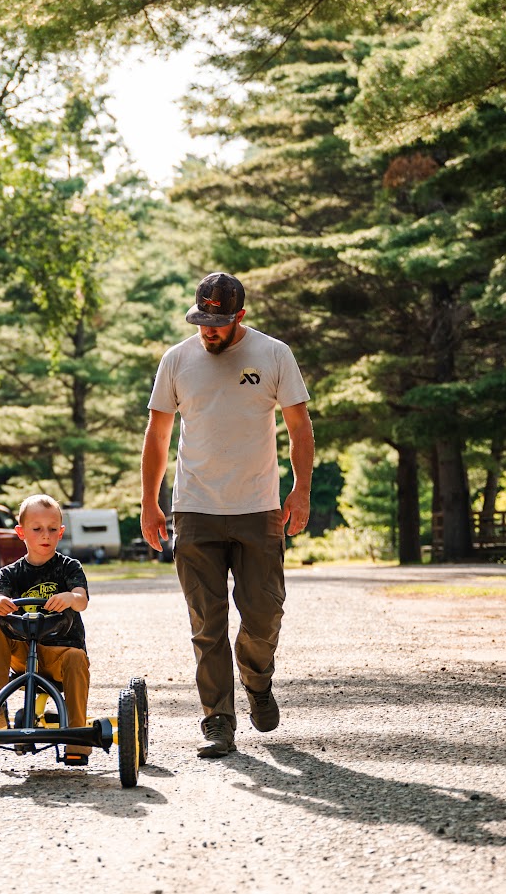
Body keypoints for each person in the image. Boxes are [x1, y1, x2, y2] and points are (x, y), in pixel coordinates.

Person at [141, 272, 314, 758]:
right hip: (194, 508)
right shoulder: (176, 360)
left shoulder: (274, 354)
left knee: (264, 614)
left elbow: (299, 426)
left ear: (240, 316)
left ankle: (257, 679)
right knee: (207, 623)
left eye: (217, 323)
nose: (208, 330)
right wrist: (149, 502)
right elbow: (157, 436)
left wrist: (300, 491)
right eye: (201, 321)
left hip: (258, 508)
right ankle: (217, 720)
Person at [0, 494, 92, 764]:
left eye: (52, 529)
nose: (45, 535)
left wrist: (70, 598)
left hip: (60, 654)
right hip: (23, 654)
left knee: (76, 658)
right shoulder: (10, 573)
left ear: (60, 532)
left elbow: (82, 599)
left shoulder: (69, 567)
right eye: (37, 529)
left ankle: (77, 737)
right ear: (21, 533)